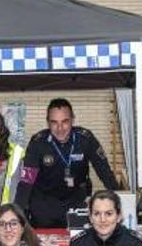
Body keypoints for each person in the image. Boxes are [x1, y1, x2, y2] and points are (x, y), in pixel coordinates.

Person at [15, 98, 119, 228]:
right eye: (54, 122)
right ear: (48, 123)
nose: (60, 128)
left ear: (72, 120)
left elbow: (105, 172)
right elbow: (26, 181)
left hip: (76, 202)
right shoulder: (38, 143)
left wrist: (121, 200)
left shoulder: (85, 139)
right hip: (44, 204)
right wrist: (16, 213)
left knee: (80, 244)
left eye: (65, 122)